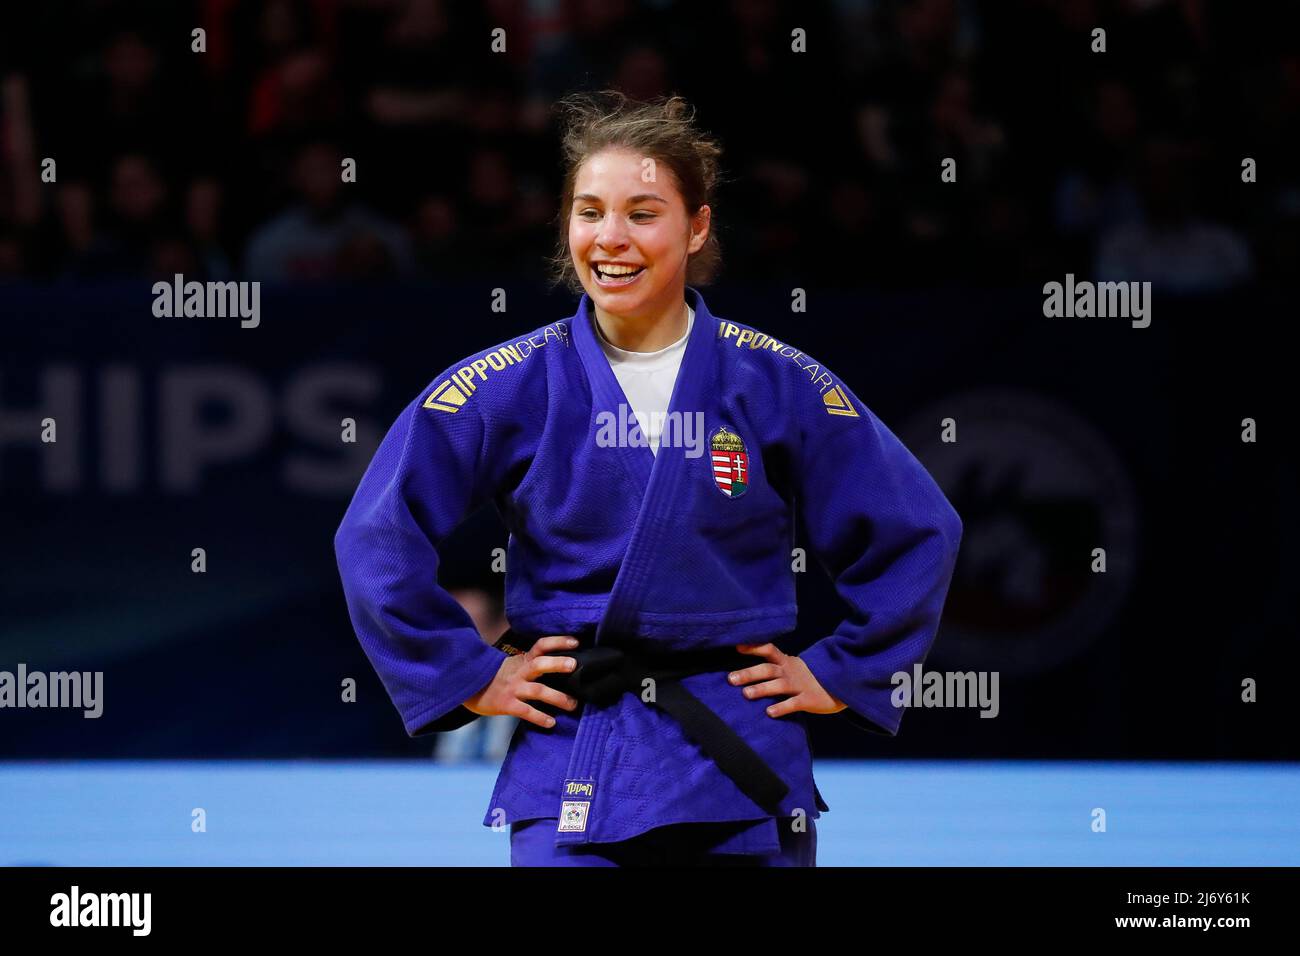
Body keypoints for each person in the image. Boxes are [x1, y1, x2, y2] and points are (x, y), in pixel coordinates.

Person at [334, 91, 963, 866]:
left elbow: (919, 529)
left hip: (738, 755)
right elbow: (375, 534)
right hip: (577, 749)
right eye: (589, 212)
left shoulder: (774, 380)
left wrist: (845, 668)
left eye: (642, 212)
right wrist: (468, 673)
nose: (610, 238)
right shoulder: (511, 383)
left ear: (697, 227)